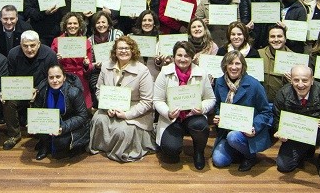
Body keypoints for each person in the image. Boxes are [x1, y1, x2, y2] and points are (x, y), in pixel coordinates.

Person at [89, 36, 155, 163]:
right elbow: (99, 90)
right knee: (98, 119)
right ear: (115, 51)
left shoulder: (143, 70)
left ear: (132, 50)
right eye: (120, 48)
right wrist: (107, 107)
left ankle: (122, 150)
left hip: (134, 108)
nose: (123, 51)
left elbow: (147, 101)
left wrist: (127, 114)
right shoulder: (106, 66)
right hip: (110, 106)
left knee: (122, 130)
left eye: (127, 48)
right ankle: (104, 148)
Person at [152, 41, 216, 170]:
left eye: (186, 56)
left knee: (201, 126)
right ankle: (173, 145)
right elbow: (157, 100)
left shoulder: (201, 73)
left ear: (192, 57)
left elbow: (211, 98)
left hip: (193, 116)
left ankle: (199, 152)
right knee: (171, 151)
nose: (182, 59)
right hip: (172, 118)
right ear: (174, 56)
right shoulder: (164, 72)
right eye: (179, 55)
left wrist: (202, 108)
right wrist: (168, 112)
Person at [274, 64, 320, 182]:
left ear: (312, 80)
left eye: (305, 80)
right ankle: (307, 149)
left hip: (319, 134)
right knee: (283, 166)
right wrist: (279, 131)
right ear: (291, 80)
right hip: (295, 135)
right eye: (296, 80)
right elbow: (276, 118)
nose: (300, 84)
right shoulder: (283, 93)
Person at [210, 51, 275, 171]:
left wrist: (254, 127)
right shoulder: (219, 82)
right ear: (225, 65)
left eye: (237, 63)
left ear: (243, 66)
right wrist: (219, 116)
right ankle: (239, 151)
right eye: (230, 63)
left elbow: (266, 112)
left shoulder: (254, 84)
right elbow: (219, 105)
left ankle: (250, 156)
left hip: (247, 133)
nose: (233, 67)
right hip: (227, 130)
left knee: (233, 137)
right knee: (219, 161)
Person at [30, 64, 91, 160]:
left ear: (64, 77)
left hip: (69, 124)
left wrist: (63, 127)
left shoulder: (74, 91)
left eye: (58, 77)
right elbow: (36, 110)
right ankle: (45, 145)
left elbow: (82, 116)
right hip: (49, 123)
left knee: (61, 145)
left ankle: (69, 146)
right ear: (47, 79)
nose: (55, 80)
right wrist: (32, 122)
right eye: (51, 77)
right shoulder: (42, 90)